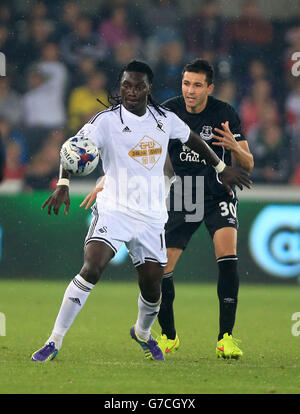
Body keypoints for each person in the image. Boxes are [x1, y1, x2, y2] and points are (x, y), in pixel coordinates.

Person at [31, 60, 250, 363]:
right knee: (92, 268)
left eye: (138, 86)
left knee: (152, 289)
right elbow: (72, 148)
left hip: (151, 216)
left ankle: (143, 333)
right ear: (120, 87)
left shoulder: (165, 119)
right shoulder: (105, 121)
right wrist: (64, 183)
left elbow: (194, 140)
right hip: (115, 210)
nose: (131, 91)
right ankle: (54, 340)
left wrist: (222, 167)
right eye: (126, 85)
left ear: (149, 88)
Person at [155, 59, 254, 359]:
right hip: (184, 194)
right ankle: (169, 337)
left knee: (227, 258)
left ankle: (226, 338)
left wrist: (235, 148)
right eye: (186, 83)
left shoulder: (224, 113)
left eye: (197, 85)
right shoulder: (167, 112)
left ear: (209, 88)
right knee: (161, 270)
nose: (190, 90)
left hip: (217, 193)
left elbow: (247, 164)